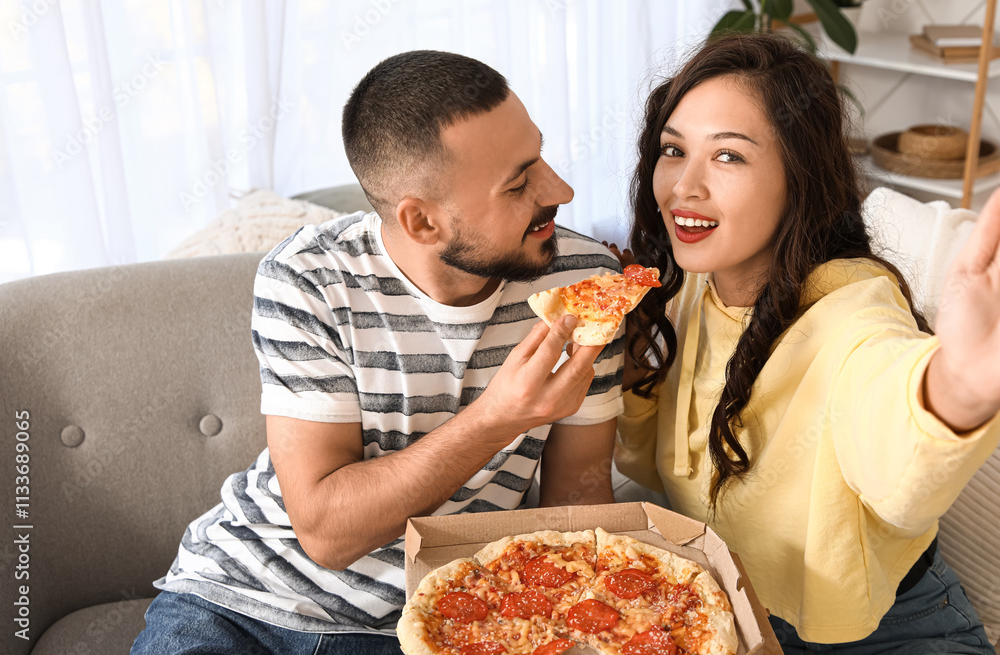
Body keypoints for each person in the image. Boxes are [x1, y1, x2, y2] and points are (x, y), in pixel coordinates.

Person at [131, 50, 624, 654]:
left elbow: (579, 502)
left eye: (539, 156)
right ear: (421, 223)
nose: (562, 190)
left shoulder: (585, 283)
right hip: (245, 606)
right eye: (519, 184)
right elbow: (327, 533)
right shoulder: (309, 277)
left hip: (446, 614)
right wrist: (499, 418)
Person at [614, 33, 1000, 654]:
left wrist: (961, 383)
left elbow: (898, 459)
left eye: (729, 157)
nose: (684, 186)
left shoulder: (853, 312)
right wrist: (629, 357)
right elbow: (647, 465)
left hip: (888, 631)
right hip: (723, 603)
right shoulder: (686, 287)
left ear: (799, 176)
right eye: (672, 150)